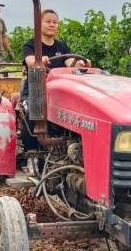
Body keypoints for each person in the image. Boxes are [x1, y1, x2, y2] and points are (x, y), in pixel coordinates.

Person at [19, 9, 91, 153]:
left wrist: (80, 63)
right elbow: (30, 60)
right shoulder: (31, 45)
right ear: (39, 24)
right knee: (33, 109)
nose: (52, 25)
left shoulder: (61, 46)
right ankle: (31, 154)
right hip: (36, 91)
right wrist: (39, 60)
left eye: (55, 22)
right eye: (48, 21)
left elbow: (69, 60)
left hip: (58, 92)